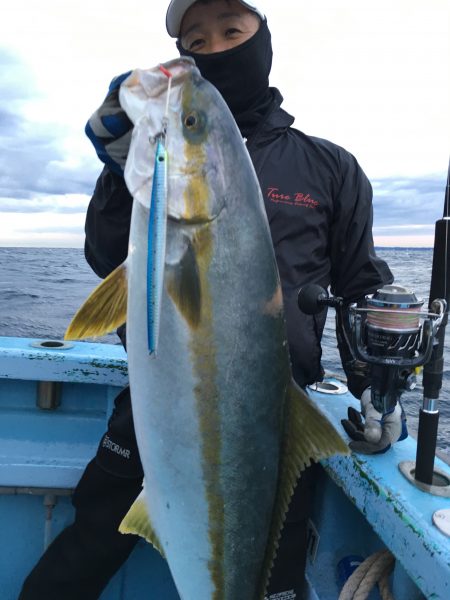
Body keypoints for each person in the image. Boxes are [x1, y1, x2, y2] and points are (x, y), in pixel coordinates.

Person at [20, 1, 405, 599]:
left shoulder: (328, 166)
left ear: (263, 40)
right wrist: (121, 167)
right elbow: (105, 255)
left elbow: (361, 285)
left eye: (232, 30)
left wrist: (377, 385)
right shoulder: (155, 162)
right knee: (69, 570)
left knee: (268, 581)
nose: (212, 48)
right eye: (195, 39)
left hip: (273, 421)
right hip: (155, 408)